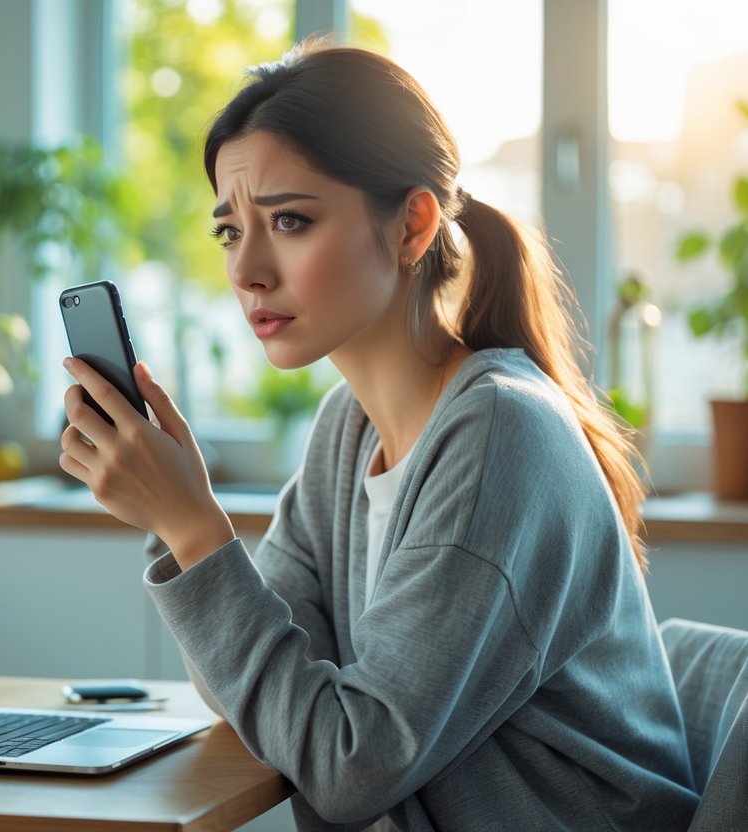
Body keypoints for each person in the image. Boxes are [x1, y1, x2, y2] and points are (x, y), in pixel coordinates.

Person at [59, 41, 698, 830]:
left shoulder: (499, 433)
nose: (248, 270)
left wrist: (193, 530)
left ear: (411, 224)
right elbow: (275, 698)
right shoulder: (347, 430)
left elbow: (346, 766)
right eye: (230, 231)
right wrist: (176, 524)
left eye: (290, 220)